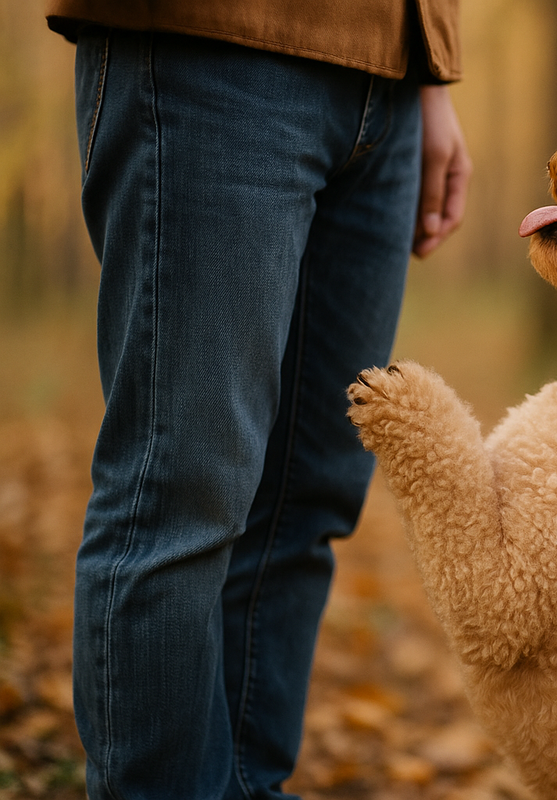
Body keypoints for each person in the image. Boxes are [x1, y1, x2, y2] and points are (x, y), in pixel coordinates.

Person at [45, 3, 471, 798]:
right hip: (212, 40)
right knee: (180, 497)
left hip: (391, 73)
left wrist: (432, 69)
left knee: (305, 504)